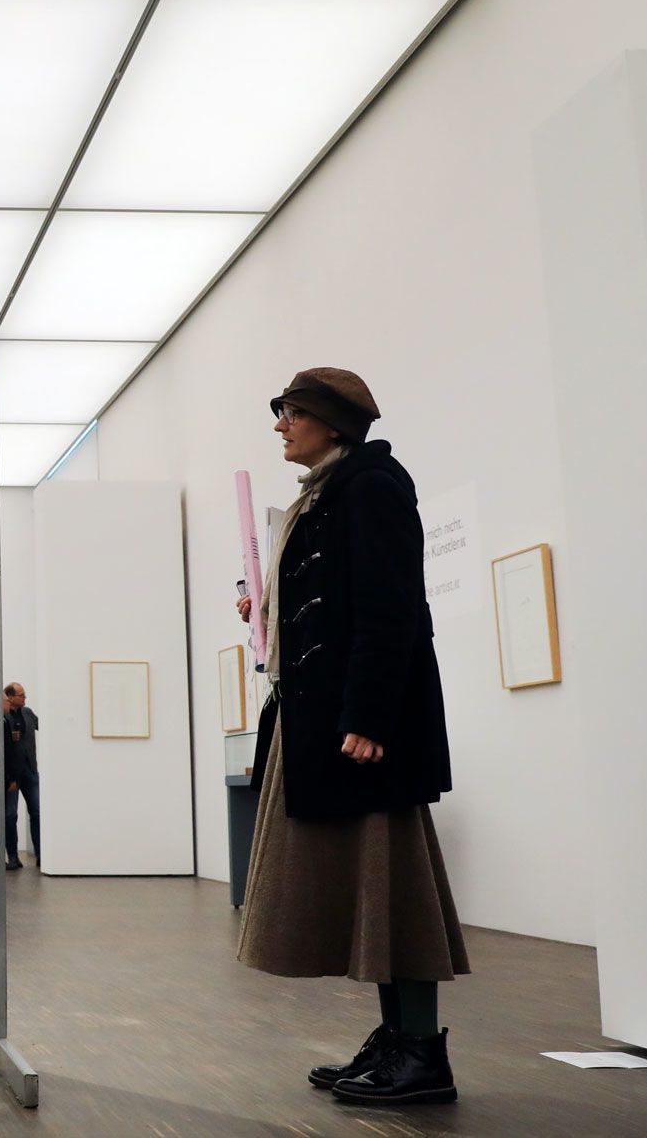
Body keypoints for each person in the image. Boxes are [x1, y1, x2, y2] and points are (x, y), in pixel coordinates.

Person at [234, 368, 468, 1107]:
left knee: (393, 886)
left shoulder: (372, 486)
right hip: (327, 726)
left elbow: (391, 609)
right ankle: (398, 1040)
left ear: (331, 423)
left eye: (291, 411)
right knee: (374, 890)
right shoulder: (329, 492)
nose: (280, 424)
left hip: (367, 732)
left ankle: (423, 1049)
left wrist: (367, 716)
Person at [1, 682, 39, 871]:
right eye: (21, 695)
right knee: (10, 815)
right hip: (12, 774)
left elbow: (46, 729)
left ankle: (42, 855)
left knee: (37, 812)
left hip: (30, 770)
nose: (25, 698)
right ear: (11, 697)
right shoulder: (4, 716)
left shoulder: (28, 713)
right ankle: (13, 857)